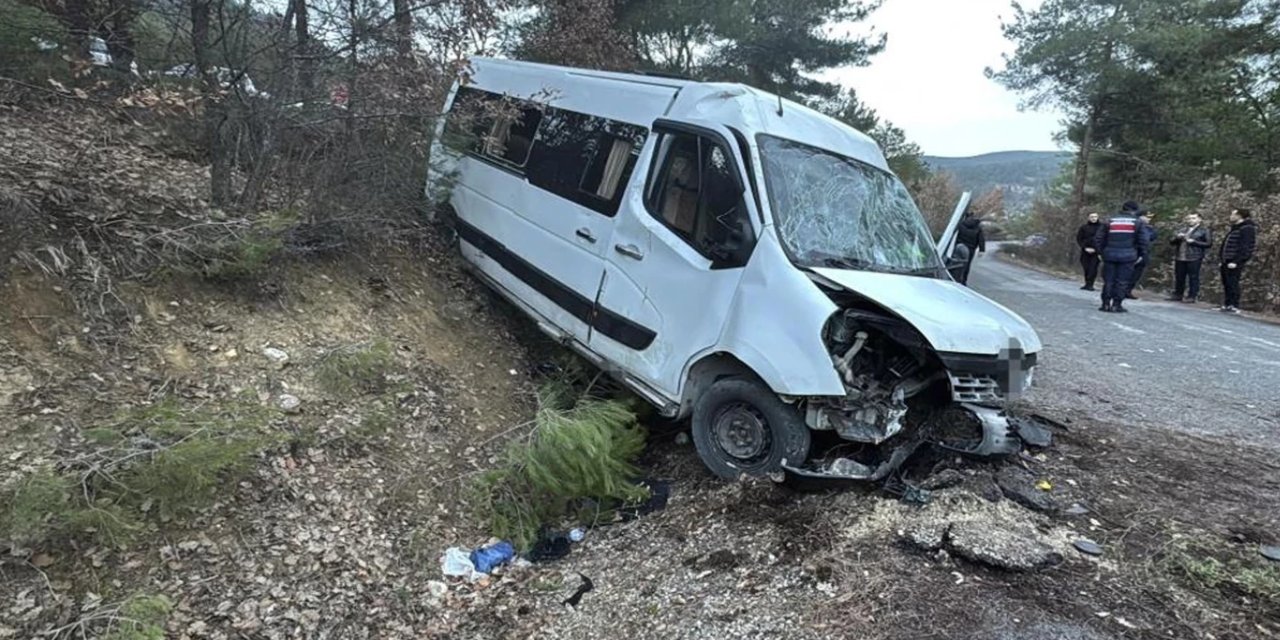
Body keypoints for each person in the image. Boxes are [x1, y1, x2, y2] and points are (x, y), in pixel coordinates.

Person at [1095, 201, 1150, 313]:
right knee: (1122, 281)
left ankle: (1105, 304)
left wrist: (1100, 252)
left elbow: (1098, 238)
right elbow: (1144, 241)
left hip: (1109, 254)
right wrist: (1142, 254)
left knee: (1108, 280)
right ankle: (1116, 304)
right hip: (1128, 255)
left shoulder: (1110, 220)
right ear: (1135, 210)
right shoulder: (1138, 222)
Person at [1217, 208, 1257, 314]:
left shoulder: (1247, 228)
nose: (1231, 216)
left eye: (1233, 214)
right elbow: (1226, 244)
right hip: (1226, 260)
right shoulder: (1235, 228)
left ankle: (1234, 305)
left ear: (1239, 216)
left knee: (1233, 282)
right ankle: (1227, 303)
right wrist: (1222, 259)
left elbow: (1246, 247)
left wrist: (1237, 261)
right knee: (1226, 283)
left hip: (1234, 261)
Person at [1166, 213, 1212, 303]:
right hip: (1180, 256)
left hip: (1194, 257)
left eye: (1193, 218)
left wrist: (1194, 242)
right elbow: (1171, 242)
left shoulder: (1204, 230)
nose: (1191, 220)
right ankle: (1178, 294)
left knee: (1193, 277)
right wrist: (1177, 238)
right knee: (1179, 276)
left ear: (1199, 220)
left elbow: (1208, 244)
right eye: (1189, 218)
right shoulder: (1183, 229)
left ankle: (1192, 296)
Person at [1125, 210, 1158, 300]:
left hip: (1144, 253)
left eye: (1150, 217)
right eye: (1147, 217)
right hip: (1132, 252)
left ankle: (1128, 290)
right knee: (1126, 272)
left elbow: (1152, 237)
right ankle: (1120, 290)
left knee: (1136, 274)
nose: (1149, 219)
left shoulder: (1150, 228)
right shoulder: (1133, 226)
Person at [954, 209, 986, 285]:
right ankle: (963, 281)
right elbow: (981, 239)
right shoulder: (978, 228)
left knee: (956, 263)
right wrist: (982, 250)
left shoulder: (961, 225)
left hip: (960, 247)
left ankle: (956, 278)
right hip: (971, 249)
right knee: (967, 265)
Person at [1075, 212, 1103, 290]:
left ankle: (1091, 284)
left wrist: (1098, 250)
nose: (1094, 218)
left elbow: (1103, 239)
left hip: (1096, 252)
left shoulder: (1102, 227)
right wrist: (1084, 247)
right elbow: (1079, 238)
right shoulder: (1084, 227)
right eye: (1092, 217)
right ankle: (1087, 283)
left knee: (1093, 268)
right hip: (1085, 250)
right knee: (1086, 267)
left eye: (1095, 217)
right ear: (1088, 218)